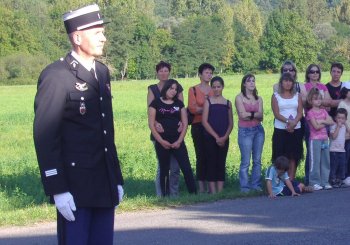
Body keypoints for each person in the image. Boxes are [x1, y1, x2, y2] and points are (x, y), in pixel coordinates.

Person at [33, 4, 123, 245]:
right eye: (97, 33)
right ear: (77, 36)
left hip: (104, 184)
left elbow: (106, 131)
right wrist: (57, 188)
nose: (103, 38)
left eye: (103, 32)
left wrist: (116, 178)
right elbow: (45, 136)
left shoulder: (101, 73)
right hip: (75, 187)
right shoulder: (56, 75)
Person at [148, 79, 197, 196]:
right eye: (172, 88)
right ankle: (164, 197)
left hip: (177, 141)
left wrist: (179, 141)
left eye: (176, 89)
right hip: (162, 141)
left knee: (186, 167)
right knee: (164, 170)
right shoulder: (155, 103)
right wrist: (161, 141)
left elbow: (185, 124)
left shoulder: (179, 104)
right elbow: (151, 124)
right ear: (166, 88)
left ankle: (194, 194)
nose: (174, 91)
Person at [147, 61, 181, 197]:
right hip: (159, 132)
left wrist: (181, 123)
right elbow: (149, 109)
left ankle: (174, 194)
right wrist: (155, 123)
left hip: (175, 132)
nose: (163, 73)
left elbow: (181, 107)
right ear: (157, 73)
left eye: (166, 70)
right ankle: (161, 195)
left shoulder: (176, 87)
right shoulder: (152, 89)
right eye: (161, 71)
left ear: (169, 72)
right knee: (163, 165)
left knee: (175, 167)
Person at [202, 76, 233, 194]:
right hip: (210, 137)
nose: (216, 89)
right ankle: (212, 191)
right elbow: (204, 121)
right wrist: (216, 137)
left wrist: (224, 137)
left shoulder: (228, 103)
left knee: (221, 162)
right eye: (214, 87)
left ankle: (220, 191)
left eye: (218, 87)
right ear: (211, 88)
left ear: (223, 87)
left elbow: (231, 123)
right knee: (211, 162)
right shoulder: (208, 101)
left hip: (224, 137)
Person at [188, 63, 215, 193]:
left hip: (211, 126)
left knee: (211, 156)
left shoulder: (214, 89)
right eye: (206, 73)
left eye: (210, 73)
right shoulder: (193, 90)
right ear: (200, 74)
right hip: (198, 126)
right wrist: (207, 108)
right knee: (201, 156)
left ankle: (211, 187)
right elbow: (193, 109)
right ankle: (201, 187)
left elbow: (216, 108)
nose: (209, 75)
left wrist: (202, 108)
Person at [235, 74, 265, 193]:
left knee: (257, 160)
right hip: (245, 131)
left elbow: (261, 116)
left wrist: (249, 114)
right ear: (244, 84)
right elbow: (242, 116)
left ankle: (256, 184)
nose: (252, 83)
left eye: (253, 81)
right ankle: (244, 187)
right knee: (245, 161)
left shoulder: (259, 98)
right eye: (249, 81)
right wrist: (254, 114)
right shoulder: (239, 98)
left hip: (258, 130)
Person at [271, 73, 303, 181]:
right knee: (280, 156)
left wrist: (294, 123)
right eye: (285, 81)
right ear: (281, 83)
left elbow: (300, 112)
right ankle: (279, 181)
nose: (288, 83)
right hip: (281, 129)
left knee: (293, 156)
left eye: (290, 81)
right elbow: (276, 114)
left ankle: (291, 180)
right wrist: (289, 121)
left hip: (296, 129)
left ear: (293, 83)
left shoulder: (297, 95)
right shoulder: (275, 96)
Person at [306, 88, 334, 190]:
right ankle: (314, 182)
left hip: (325, 138)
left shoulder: (323, 111)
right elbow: (315, 127)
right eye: (315, 99)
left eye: (319, 99)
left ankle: (325, 181)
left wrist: (321, 120)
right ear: (310, 100)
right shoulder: (310, 113)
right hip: (315, 140)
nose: (318, 101)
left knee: (325, 160)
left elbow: (331, 121)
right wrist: (324, 122)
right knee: (315, 161)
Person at [329, 108, 348, 188]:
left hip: (342, 150)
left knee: (342, 165)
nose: (340, 120)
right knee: (334, 165)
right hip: (334, 150)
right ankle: (333, 180)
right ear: (335, 118)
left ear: (345, 119)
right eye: (339, 118)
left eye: (342, 118)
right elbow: (333, 136)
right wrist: (338, 127)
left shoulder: (344, 126)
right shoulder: (333, 126)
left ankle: (340, 180)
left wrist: (346, 125)